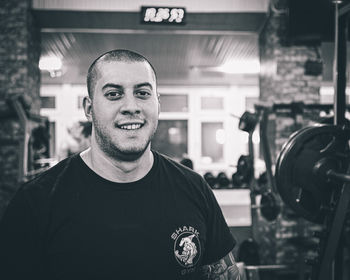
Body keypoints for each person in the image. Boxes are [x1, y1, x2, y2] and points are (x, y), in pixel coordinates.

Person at [0, 49, 241, 280]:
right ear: (89, 108)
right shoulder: (35, 202)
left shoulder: (194, 188)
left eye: (143, 93)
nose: (131, 107)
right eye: (114, 94)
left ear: (158, 103)